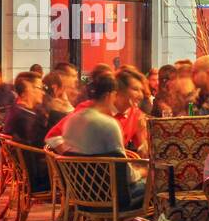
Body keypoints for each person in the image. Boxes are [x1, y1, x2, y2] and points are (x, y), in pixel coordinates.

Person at [59, 72, 147, 209]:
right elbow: (124, 174)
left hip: (79, 195)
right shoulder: (109, 124)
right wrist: (142, 172)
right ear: (109, 95)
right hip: (112, 198)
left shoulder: (71, 121)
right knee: (158, 182)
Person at [2, 73, 52, 192]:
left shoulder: (17, 110)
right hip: (38, 179)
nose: (43, 92)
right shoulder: (25, 118)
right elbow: (41, 146)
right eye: (39, 88)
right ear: (26, 91)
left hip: (24, 175)